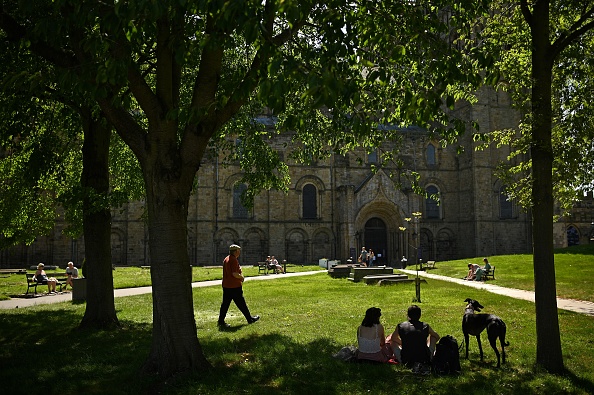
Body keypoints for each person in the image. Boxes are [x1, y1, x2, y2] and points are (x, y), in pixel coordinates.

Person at [218, 244, 260, 328]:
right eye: (239, 251)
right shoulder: (233, 260)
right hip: (234, 286)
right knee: (241, 303)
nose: (239, 253)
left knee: (225, 304)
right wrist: (242, 277)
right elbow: (235, 274)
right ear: (236, 251)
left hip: (226, 285)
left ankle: (221, 321)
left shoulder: (226, 258)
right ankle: (250, 319)